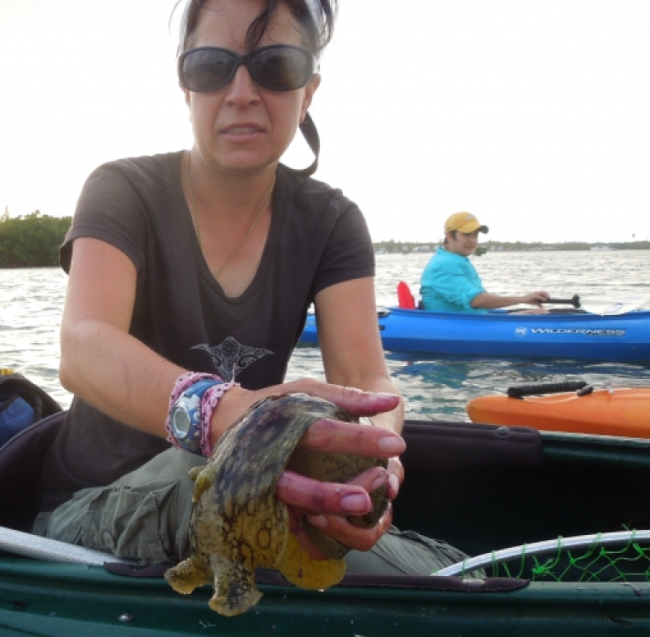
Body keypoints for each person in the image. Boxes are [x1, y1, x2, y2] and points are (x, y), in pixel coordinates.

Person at [33, 0, 468, 576]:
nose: (241, 92)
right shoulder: (123, 190)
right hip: (90, 506)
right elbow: (83, 345)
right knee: (227, 480)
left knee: (414, 562)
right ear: (185, 85)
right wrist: (228, 412)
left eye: (276, 67)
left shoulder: (331, 221)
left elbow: (365, 378)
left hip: (253, 481)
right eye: (212, 66)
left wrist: (372, 450)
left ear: (308, 90)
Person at [419, 212, 550, 314]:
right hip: (458, 327)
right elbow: (476, 301)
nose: (472, 240)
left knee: (540, 314)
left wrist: (520, 313)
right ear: (449, 236)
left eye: (475, 235)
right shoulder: (443, 264)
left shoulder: (455, 259)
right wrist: (523, 299)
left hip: (473, 321)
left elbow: (479, 305)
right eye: (467, 234)